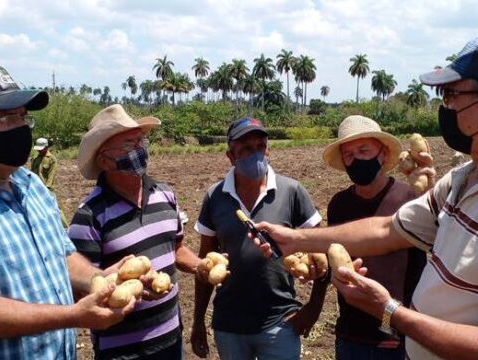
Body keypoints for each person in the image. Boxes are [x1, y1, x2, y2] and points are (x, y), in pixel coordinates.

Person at [252, 38, 478, 360]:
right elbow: (387, 231)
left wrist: (389, 312)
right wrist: (294, 240)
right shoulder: (458, 182)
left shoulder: (413, 191)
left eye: (454, 94)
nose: (446, 107)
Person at [0, 66, 135, 359]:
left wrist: (98, 278)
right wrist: (73, 315)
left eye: (23, 116)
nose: (22, 126)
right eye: (7, 117)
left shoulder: (32, 186)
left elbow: (61, 253)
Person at [68, 104, 201, 360]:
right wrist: (127, 284)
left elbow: (176, 249)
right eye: (129, 145)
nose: (139, 150)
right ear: (105, 160)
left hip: (171, 339)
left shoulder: (165, 195)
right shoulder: (90, 215)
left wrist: (201, 266)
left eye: (140, 141)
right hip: (122, 352)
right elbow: (80, 290)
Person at [191, 117, 325, 360]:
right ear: (230, 156)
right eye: (246, 149)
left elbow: (322, 252)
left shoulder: (291, 191)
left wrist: (313, 308)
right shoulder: (216, 196)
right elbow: (206, 261)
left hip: (280, 321)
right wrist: (198, 321)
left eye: (260, 147)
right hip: (229, 324)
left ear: (268, 149)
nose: (256, 155)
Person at [321, 115, 427, 360]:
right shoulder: (339, 204)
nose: (355, 159)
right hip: (349, 335)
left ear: (382, 153)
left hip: (396, 337)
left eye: (363, 150)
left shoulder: (410, 198)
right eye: (348, 154)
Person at [30, 136, 69, 227]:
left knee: (55, 208)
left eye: (41, 149)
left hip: (46, 188)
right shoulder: (35, 158)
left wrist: (46, 188)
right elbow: (31, 173)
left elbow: (51, 176)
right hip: (34, 188)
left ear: (46, 147)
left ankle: (65, 228)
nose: (39, 151)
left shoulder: (52, 159)